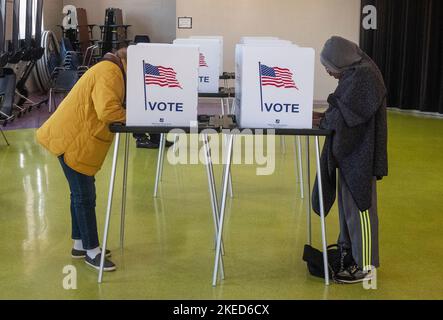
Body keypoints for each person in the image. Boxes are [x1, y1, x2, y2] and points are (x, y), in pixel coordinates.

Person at [36, 48, 128, 272]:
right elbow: (108, 111)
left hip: (73, 139)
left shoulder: (110, 70)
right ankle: (91, 251)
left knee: (81, 193)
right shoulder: (110, 73)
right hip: (72, 141)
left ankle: (79, 243)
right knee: (84, 196)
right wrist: (137, 116)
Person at [313, 36, 388, 284]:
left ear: (340, 61)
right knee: (348, 208)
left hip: (360, 153)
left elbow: (346, 115)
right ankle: (351, 252)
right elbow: (343, 109)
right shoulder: (356, 70)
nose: (328, 71)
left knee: (361, 209)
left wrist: (324, 118)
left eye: (329, 66)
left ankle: (366, 266)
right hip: (352, 151)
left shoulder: (363, 76)